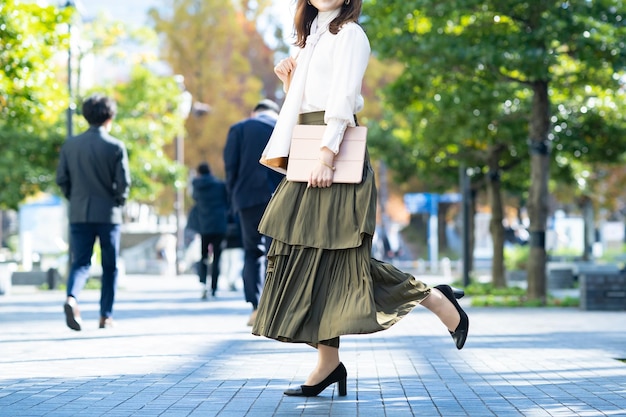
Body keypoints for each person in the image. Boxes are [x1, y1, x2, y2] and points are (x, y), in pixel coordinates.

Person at [252, 0, 469, 397]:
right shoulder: (310, 36)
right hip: (308, 143)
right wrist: (290, 84)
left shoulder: (349, 35)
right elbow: (310, 100)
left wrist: (326, 156)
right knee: (308, 256)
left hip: (331, 152)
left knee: (338, 259)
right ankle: (329, 363)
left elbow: (343, 99)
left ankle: (436, 300)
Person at [56, 94, 131, 331]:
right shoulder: (115, 146)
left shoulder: (70, 145)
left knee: (80, 262)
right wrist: (118, 201)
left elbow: (62, 179)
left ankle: (72, 297)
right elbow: (124, 183)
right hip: (108, 215)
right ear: (109, 117)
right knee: (110, 266)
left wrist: (74, 198)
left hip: (79, 213)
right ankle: (105, 316)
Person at [224, 99, 284, 326]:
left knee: (252, 251)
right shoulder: (283, 128)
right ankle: (278, 306)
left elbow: (230, 168)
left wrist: (233, 198)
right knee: (278, 251)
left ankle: (256, 307)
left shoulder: (239, 129)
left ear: (254, 113)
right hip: (280, 198)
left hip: (247, 199)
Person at [187, 162, 228, 300]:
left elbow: (194, 198)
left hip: (204, 225)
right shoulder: (220, 185)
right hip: (219, 225)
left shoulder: (196, 186)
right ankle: (214, 287)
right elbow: (227, 201)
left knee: (203, 255)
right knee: (217, 257)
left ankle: (204, 283)